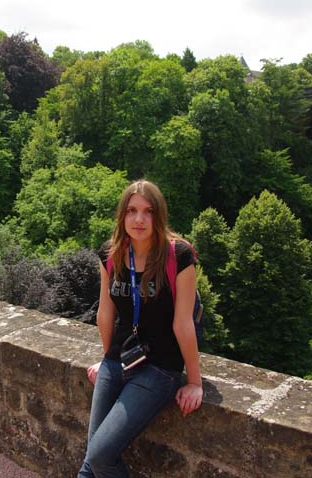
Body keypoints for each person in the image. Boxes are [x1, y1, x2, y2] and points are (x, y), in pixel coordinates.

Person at [78, 179, 203, 478]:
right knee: (91, 462)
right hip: (118, 360)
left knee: (100, 456)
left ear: (159, 216)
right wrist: (107, 357)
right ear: (122, 215)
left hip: (159, 368)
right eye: (132, 211)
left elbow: (183, 323)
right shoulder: (110, 254)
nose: (139, 219)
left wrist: (194, 382)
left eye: (148, 211)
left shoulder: (179, 256)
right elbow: (105, 313)